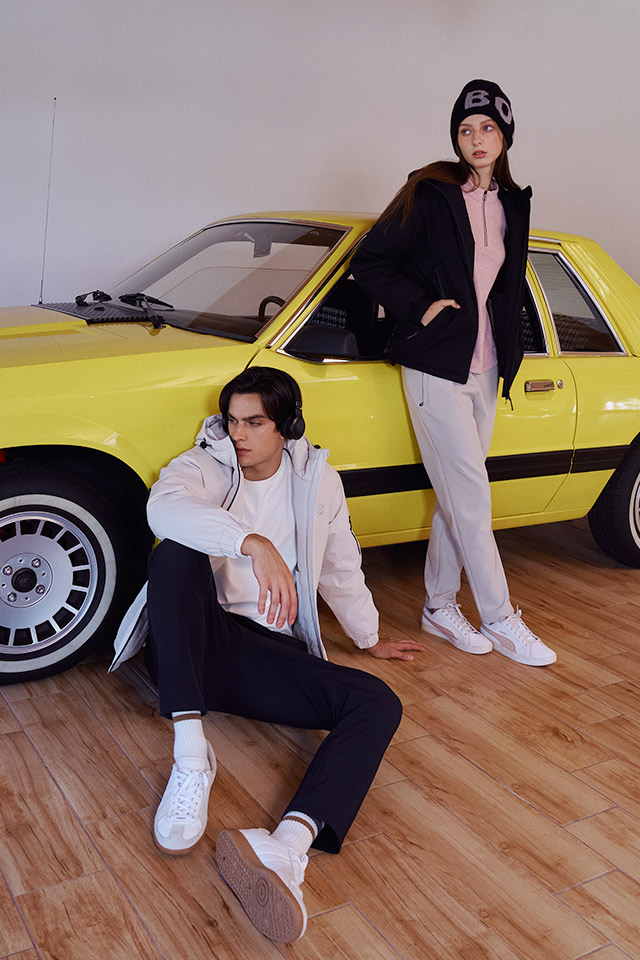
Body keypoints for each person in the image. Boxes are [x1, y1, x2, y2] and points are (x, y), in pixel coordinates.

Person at [138, 366, 422, 943]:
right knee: (174, 554)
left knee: (377, 702)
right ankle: (191, 758)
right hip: (191, 644)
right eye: (232, 421)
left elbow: (341, 564)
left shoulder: (319, 482)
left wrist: (368, 637)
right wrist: (254, 543)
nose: (239, 434)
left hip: (260, 655)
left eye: (255, 423)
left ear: (288, 426)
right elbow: (163, 509)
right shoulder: (202, 465)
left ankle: (287, 846)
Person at [351, 79, 556, 667]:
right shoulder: (431, 193)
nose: (476, 138)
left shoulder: (512, 203)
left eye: (488, 127)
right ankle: (501, 616)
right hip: (435, 366)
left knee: (454, 496)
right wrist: (421, 306)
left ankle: (439, 606)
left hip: (486, 367)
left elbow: (505, 288)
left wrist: (510, 348)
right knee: (470, 497)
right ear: (455, 138)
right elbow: (370, 261)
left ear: (505, 135)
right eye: (466, 129)